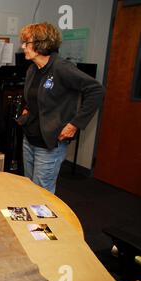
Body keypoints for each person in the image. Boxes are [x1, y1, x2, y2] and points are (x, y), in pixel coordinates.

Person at [17, 22, 104, 193]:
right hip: (30, 138)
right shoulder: (32, 69)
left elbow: (96, 90)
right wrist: (28, 108)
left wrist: (75, 124)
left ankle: (44, 221)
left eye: (26, 43)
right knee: (28, 188)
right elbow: (38, 96)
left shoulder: (62, 68)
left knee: (42, 193)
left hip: (49, 143)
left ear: (41, 44)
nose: (23, 47)